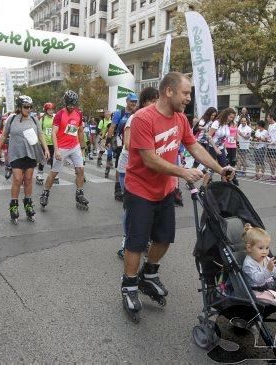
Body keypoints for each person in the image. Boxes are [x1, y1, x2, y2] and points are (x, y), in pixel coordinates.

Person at [120, 72, 234, 321]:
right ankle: (129, 285)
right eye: (185, 93)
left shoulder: (181, 119)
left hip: (164, 189)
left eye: (190, 93)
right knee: (137, 242)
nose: (189, 98)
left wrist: (219, 168)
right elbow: (149, 159)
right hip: (140, 188)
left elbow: (194, 146)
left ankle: (148, 275)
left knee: (163, 239)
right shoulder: (143, 118)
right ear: (169, 91)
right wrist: (183, 172)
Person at [116, 86, 159, 259]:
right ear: (144, 102)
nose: (155, 103)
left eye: (157, 100)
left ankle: (145, 239)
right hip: (128, 168)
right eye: (152, 100)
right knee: (131, 208)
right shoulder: (135, 117)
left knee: (148, 208)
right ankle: (126, 242)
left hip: (146, 169)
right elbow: (127, 143)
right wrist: (149, 150)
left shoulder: (157, 119)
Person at [0, 96, 50, 222]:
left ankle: (28, 203)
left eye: (30, 107)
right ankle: (14, 205)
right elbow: (3, 136)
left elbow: (40, 135)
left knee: (29, 179)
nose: (28, 109)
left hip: (30, 153)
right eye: (26, 107)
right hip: (15, 154)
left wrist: (45, 149)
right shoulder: (11, 119)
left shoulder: (34, 120)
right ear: (20, 107)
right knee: (18, 179)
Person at [38, 90, 88, 211]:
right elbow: (54, 134)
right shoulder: (60, 115)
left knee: (80, 170)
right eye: (70, 104)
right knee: (54, 172)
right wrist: (57, 150)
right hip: (62, 147)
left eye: (74, 104)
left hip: (74, 145)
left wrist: (82, 148)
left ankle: (79, 193)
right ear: (66, 102)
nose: (72, 106)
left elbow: (80, 130)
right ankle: (45, 193)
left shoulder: (78, 114)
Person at [107, 93, 138, 200]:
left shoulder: (138, 112)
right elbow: (112, 127)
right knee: (119, 166)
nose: (133, 103)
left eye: (135, 101)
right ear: (127, 101)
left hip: (135, 144)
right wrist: (108, 140)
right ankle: (118, 188)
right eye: (132, 101)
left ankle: (131, 188)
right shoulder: (119, 113)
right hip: (121, 144)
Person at [202, 108, 237, 187]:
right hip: (212, 147)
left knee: (225, 168)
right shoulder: (216, 123)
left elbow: (224, 138)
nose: (231, 119)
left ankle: (226, 185)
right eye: (230, 117)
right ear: (226, 115)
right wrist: (215, 148)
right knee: (211, 168)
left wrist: (224, 148)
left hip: (221, 148)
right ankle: (203, 187)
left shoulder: (226, 125)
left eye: (233, 118)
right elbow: (208, 136)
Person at [36, 102, 56, 185]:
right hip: (45, 142)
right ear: (46, 110)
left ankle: (53, 173)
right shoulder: (42, 119)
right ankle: (40, 173)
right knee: (44, 158)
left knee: (53, 159)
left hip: (53, 142)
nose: (51, 111)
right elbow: (39, 131)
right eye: (49, 110)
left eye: (52, 110)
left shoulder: (55, 118)